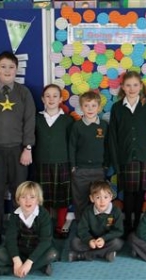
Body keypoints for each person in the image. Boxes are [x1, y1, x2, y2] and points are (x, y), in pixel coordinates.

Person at [108, 71, 146, 233]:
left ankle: (138, 224)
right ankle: (127, 225)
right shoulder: (117, 108)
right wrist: (116, 163)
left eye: (135, 85)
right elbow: (112, 138)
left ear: (141, 86)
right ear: (122, 88)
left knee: (140, 193)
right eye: (128, 85)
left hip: (143, 159)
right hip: (124, 159)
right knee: (127, 193)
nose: (132, 88)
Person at [0, 51, 35, 243]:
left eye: (11, 67)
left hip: (18, 151)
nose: (7, 70)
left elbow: (29, 122)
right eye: (3, 66)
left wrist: (27, 148)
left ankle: (19, 233)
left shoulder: (23, 93)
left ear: (16, 69)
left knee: (20, 194)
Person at [34, 84, 74, 238]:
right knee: (43, 196)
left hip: (62, 162)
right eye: (48, 96)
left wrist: (72, 163)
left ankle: (60, 226)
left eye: (55, 96)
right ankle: (44, 227)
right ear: (43, 99)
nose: (51, 99)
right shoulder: (37, 118)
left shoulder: (67, 120)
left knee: (61, 196)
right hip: (42, 163)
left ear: (61, 99)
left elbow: (71, 143)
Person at [0, 181, 58, 276]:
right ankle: (38, 266)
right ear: (18, 200)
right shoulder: (15, 216)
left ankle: (15, 270)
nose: (28, 201)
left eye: (32, 197)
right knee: (1, 253)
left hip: (37, 251)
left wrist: (29, 262)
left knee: (53, 254)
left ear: (38, 200)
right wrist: (16, 260)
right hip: (20, 251)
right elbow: (10, 240)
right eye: (23, 197)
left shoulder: (44, 215)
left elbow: (45, 241)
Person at [69, 90, 108, 222]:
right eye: (86, 105)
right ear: (81, 107)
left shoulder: (103, 125)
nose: (90, 109)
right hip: (80, 170)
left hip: (98, 169)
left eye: (93, 105)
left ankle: (97, 224)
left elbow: (108, 146)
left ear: (99, 107)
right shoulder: (77, 126)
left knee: (98, 200)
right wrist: (73, 166)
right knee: (80, 200)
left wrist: (106, 165)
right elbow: (72, 147)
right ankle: (81, 224)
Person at [68, 180, 124, 262]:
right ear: (92, 198)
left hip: (107, 240)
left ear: (111, 197)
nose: (102, 201)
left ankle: (82, 256)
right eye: (98, 197)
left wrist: (103, 239)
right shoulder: (87, 211)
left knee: (118, 243)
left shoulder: (116, 211)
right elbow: (82, 229)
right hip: (92, 241)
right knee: (75, 242)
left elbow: (118, 231)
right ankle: (105, 254)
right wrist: (89, 240)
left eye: (106, 197)